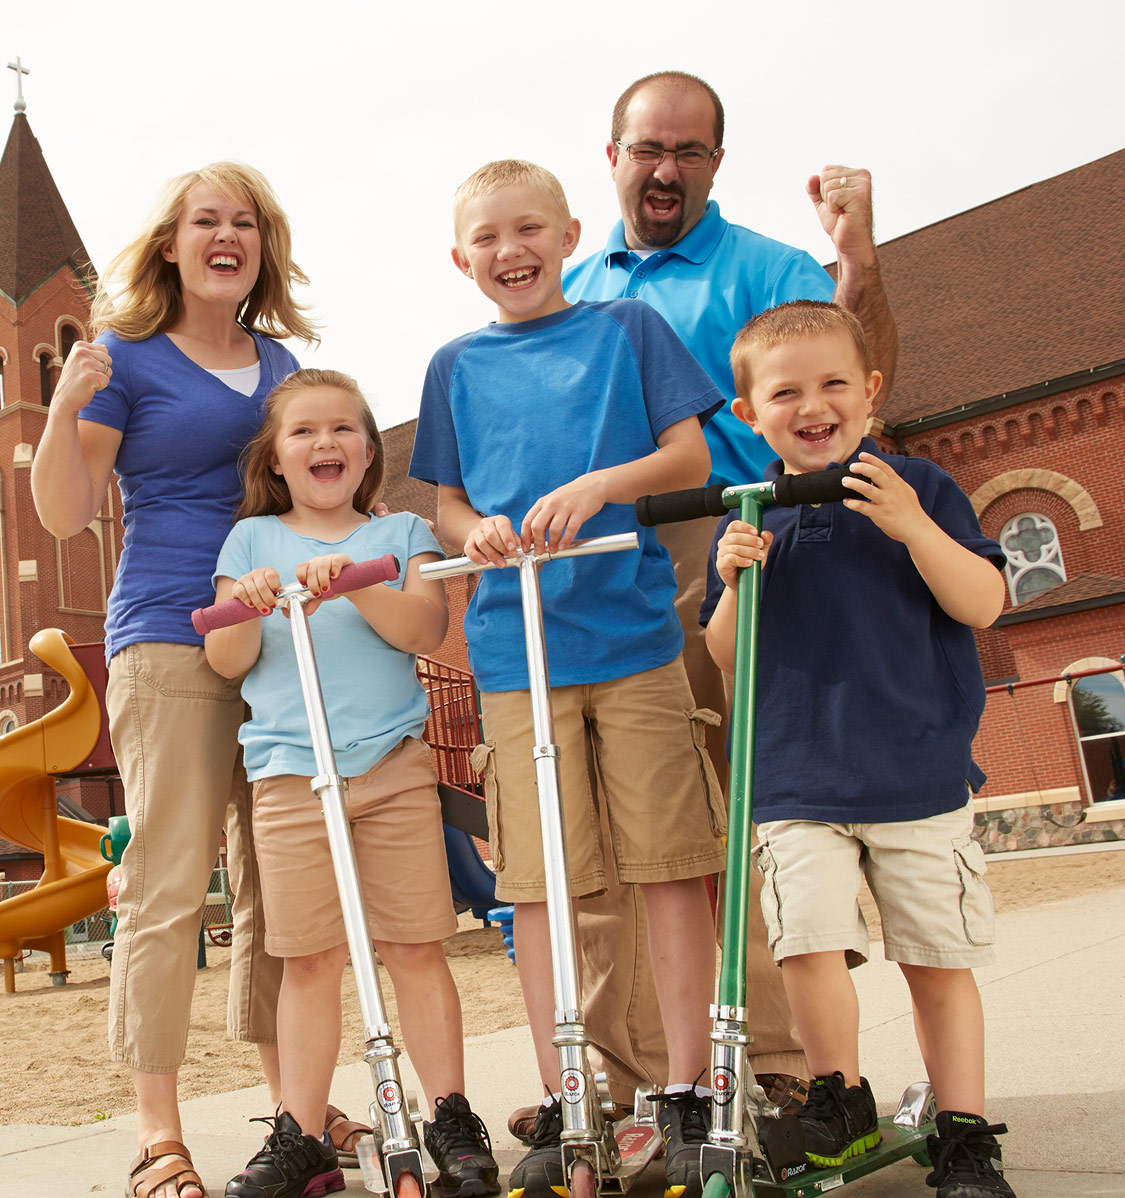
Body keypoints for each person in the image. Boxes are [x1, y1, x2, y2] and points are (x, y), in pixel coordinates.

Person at [552, 69, 901, 1122]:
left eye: (689, 151)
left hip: (736, 541)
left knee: (745, 814)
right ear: (611, 156)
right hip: (605, 565)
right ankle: (641, 1085)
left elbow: (868, 379)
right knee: (619, 838)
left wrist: (861, 264)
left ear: (715, 162)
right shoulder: (568, 292)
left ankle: (785, 1073)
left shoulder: (766, 268)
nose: (666, 169)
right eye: (647, 148)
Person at [409, 159, 725, 1198]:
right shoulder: (454, 365)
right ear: (463, 259)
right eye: (488, 238)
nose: (511, 250)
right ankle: (569, 1094)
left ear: (569, 232)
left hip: (630, 642)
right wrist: (480, 529)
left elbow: (687, 456)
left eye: (530, 228)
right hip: (516, 658)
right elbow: (447, 508)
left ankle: (685, 1089)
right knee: (541, 886)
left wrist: (599, 485)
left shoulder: (626, 330)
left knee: (669, 866)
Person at [30, 162, 332, 1198]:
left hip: (278, 639)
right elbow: (66, 513)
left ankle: (289, 1110)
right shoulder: (126, 357)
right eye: (206, 220)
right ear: (170, 242)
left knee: (275, 888)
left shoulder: (281, 360)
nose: (226, 235)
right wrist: (64, 413)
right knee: (167, 890)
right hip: (167, 635)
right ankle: (158, 1134)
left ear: (262, 243)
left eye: (244, 222)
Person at [702, 301, 1014, 1197]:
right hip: (794, 779)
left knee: (935, 960)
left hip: (915, 772)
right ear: (748, 413)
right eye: (785, 391)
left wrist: (914, 526)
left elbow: (983, 604)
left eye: (834, 382)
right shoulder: (753, 513)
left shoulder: (919, 486)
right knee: (807, 943)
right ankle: (837, 1094)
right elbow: (726, 654)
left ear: (869, 392)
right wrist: (730, 583)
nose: (813, 404)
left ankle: (961, 1130)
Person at [205, 368, 500, 1198]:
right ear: (275, 456)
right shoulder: (251, 544)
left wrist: (355, 582)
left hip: (389, 768)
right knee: (307, 959)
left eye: (342, 428)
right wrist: (252, 609)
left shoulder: (401, 532)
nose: (324, 442)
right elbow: (224, 660)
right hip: (291, 777)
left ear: (368, 452)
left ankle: (448, 1113)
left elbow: (424, 628)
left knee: (413, 944)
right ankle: (300, 1130)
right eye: (303, 431)